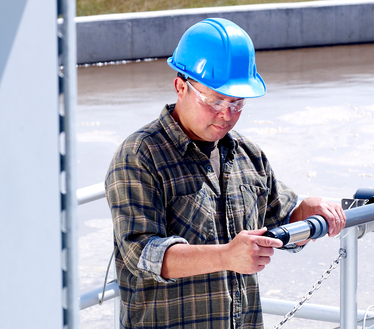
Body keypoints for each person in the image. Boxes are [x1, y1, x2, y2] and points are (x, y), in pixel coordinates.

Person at [104, 18, 346, 329]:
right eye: (215, 100)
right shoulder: (141, 155)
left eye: (236, 102)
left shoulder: (248, 155)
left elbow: (281, 216)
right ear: (181, 87)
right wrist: (226, 256)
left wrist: (306, 209)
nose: (226, 114)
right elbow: (142, 254)